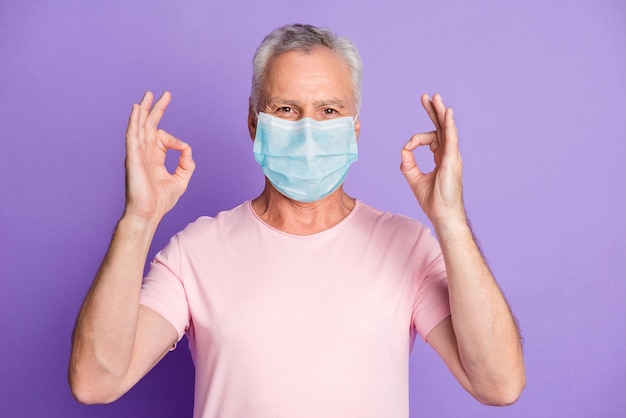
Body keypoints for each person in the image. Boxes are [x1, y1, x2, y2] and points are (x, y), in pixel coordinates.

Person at [69, 23, 525, 417]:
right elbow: (95, 381)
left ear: (354, 129)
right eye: (286, 109)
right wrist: (139, 219)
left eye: (329, 111)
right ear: (254, 123)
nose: (308, 130)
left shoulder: (407, 247)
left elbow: (499, 383)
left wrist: (451, 221)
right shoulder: (196, 252)